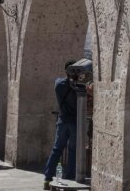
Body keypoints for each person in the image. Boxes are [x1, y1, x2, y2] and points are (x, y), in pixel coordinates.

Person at [42, 59, 93, 190]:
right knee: (73, 151)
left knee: (57, 149)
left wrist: (70, 77)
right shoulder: (80, 87)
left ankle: (47, 178)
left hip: (62, 121)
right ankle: (69, 177)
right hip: (75, 122)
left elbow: (60, 81)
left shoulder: (59, 84)